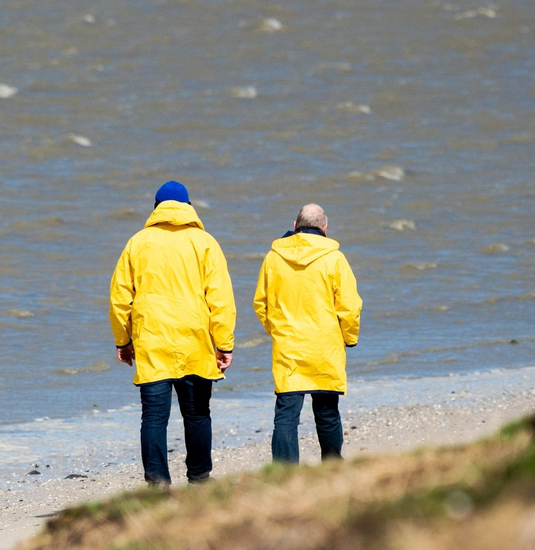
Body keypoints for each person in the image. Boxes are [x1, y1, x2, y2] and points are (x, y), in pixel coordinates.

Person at [109, 180, 236, 485]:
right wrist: (224, 344)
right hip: (194, 340)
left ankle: (157, 481)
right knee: (197, 413)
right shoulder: (205, 242)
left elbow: (118, 298)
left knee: (153, 417)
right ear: (189, 207)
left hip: (152, 340)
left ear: (156, 208)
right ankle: (200, 476)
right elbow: (221, 299)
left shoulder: (137, 243)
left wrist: (123, 340)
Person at [253, 203, 362, 464]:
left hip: (289, 346)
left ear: (294, 226)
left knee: (286, 415)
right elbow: (350, 306)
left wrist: (277, 330)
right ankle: (333, 467)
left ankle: (284, 474)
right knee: (327, 412)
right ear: (325, 229)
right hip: (325, 346)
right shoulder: (335, 258)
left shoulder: (274, 257)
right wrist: (349, 337)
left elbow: (261, 304)